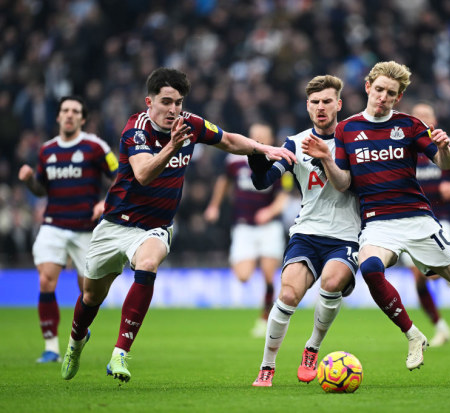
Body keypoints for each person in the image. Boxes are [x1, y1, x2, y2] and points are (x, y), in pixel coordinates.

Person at [59, 67, 295, 383]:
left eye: (179, 103)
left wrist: (261, 148)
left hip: (155, 227)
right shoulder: (136, 130)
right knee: (91, 297)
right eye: (166, 102)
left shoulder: (190, 124)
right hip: (117, 223)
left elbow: (227, 140)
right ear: (149, 101)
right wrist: (171, 146)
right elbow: (142, 174)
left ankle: (120, 353)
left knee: (148, 263)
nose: (173, 110)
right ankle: (76, 343)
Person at [302, 61, 450, 386]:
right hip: (377, 222)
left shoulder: (410, 125)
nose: (384, 97)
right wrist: (327, 158)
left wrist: (443, 148)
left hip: (417, 219)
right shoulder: (347, 129)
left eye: (392, 93)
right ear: (369, 86)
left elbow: (444, 163)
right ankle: (413, 334)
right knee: (370, 268)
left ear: (398, 98)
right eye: (380, 89)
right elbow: (343, 184)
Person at [250, 75, 360, 387]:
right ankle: (267, 367)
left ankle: (312, 348)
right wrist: (256, 160)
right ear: (307, 106)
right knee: (287, 294)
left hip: (346, 233)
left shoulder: (353, 140)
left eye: (327, 101)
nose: (321, 107)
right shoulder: (295, 143)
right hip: (307, 232)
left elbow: (345, 184)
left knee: (332, 281)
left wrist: (325, 156)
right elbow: (264, 181)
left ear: (338, 104)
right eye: (315, 102)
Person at [18, 95, 118, 363]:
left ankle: (80, 333)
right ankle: (51, 347)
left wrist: (103, 202)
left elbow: (120, 176)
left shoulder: (95, 147)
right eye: (65, 110)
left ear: (83, 118)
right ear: (58, 116)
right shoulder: (47, 151)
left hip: (86, 228)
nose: (70, 114)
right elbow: (41, 188)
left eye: (75, 111)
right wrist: (29, 181)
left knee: (88, 290)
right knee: (45, 279)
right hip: (53, 224)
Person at [400, 102, 450, 347]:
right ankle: (440, 327)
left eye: (427, 115)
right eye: (418, 115)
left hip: (441, 217)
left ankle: (447, 267)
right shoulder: (403, 145)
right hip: (411, 218)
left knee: (430, 273)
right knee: (419, 277)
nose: (423, 119)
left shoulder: (448, 143)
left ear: (434, 119)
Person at [204, 123, 289, 338]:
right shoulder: (234, 160)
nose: (258, 140)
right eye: (255, 136)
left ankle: (265, 317)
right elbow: (224, 181)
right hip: (243, 224)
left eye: (263, 136)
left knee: (270, 274)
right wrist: (214, 205)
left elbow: (283, 194)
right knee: (243, 276)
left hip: (269, 226)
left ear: (270, 138)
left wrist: (269, 212)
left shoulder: (277, 159)